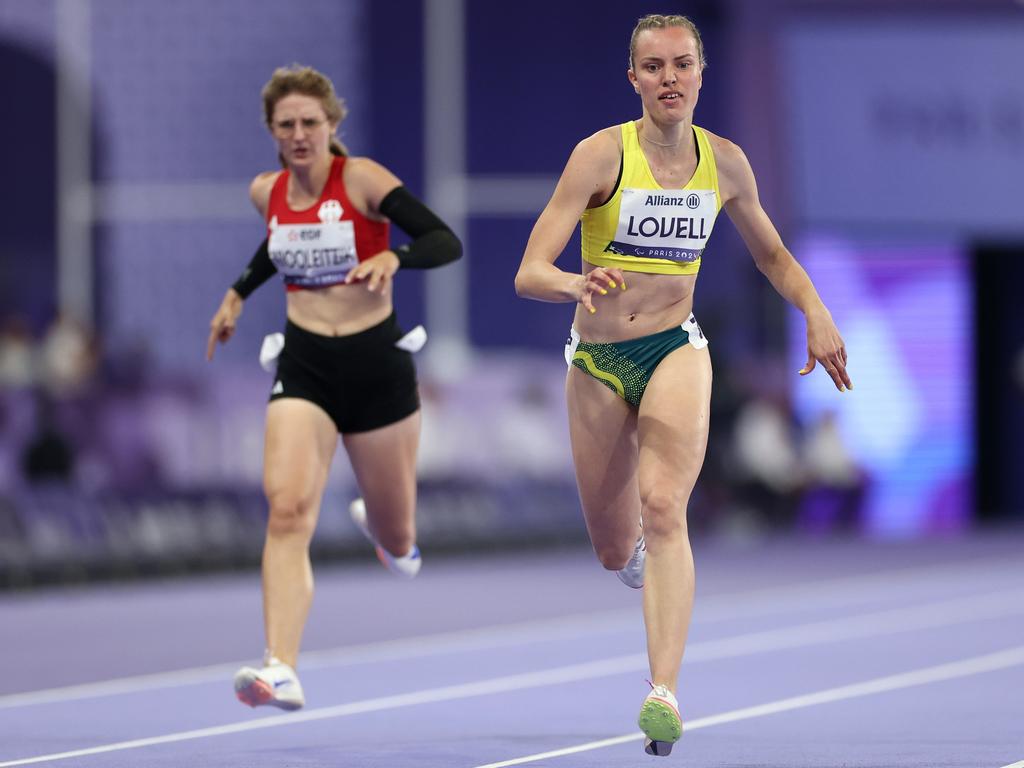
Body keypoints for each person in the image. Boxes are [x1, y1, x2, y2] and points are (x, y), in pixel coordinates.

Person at [514, 14, 851, 757]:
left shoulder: (725, 163)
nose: (670, 78)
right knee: (613, 548)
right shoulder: (601, 155)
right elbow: (528, 271)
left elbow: (772, 255)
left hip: (674, 347)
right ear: (633, 78)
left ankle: (662, 691)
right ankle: (631, 554)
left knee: (665, 504)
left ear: (701, 74)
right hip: (599, 361)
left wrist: (817, 313)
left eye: (683, 64)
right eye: (654, 66)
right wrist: (575, 281)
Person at [206, 65, 461, 711]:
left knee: (400, 538)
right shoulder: (266, 192)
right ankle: (280, 666)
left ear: (331, 126)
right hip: (306, 364)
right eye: (286, 125)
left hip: (378, 365)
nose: (299, 135)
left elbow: (442, 239)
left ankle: (385, 534)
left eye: (310, 124)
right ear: (272, 132)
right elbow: (275, 247)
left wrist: (393, 257)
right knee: (288, 509)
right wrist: (237, 293)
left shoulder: (364, 179)